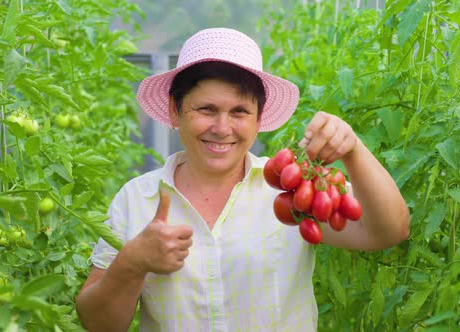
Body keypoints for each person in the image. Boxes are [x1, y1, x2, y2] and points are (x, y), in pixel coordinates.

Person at [75, 27, 409, 332]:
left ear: (259, 118)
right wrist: (132, 263)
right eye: (206, 109)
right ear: (175, 111)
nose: (222, 128)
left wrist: (354, 151)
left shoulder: (290, 188)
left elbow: (388, 231)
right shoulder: (137, 200)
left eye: (239, 112)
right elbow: (98, 323)